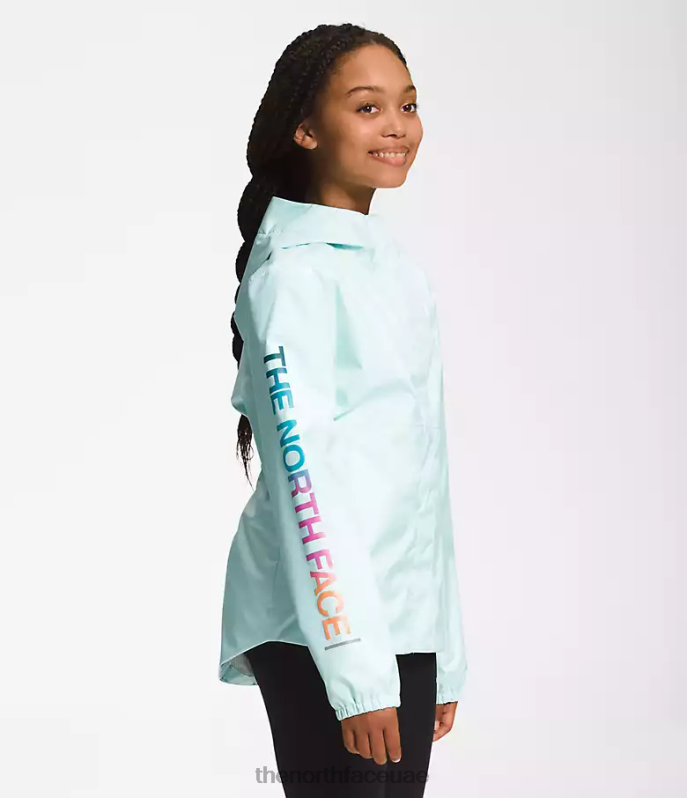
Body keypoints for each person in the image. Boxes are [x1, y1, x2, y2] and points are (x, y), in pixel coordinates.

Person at [218, 23, 468, 797]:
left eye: (407, 105)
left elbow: (426, 478)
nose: (396, 126)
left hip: (400, 622)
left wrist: (440, 650)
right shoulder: (292, 278)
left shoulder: (395, 270)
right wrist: (356, 667)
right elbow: (308, 485)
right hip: (320, 629)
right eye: (366, 107)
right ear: (305, 129)